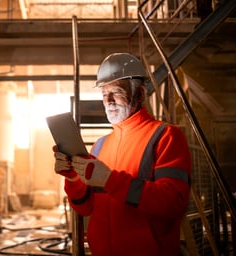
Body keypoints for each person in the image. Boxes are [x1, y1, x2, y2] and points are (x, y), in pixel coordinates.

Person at [53, 53, 191, 256]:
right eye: (104, 94)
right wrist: (73, 176)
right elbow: (85, 208)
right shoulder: (100, 146)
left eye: (116, 92)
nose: (108, 101)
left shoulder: (166, 136)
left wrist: (110, 180)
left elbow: (174, 203)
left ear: (141, 94)